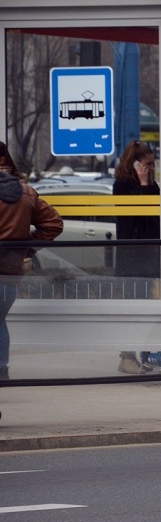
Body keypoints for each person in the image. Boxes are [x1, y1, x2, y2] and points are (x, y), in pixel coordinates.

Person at [0, 143, 64, 381]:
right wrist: (24, 247)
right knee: (0, 321)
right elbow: (54, 224)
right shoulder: (25, 191)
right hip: (10, 273)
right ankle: (2, 372)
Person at [114, 140, 161, 374]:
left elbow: (154, 221)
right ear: (135, 164)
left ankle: (147, 353)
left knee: (148, 304)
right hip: (131, 252)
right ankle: (126, 355)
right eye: (148, 164)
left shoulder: (152, 186)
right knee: (131, 303)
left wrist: (147, 184)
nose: (152, 168)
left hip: (150, 251)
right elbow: (136, 218)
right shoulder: (122, 186)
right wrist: (143, 184)